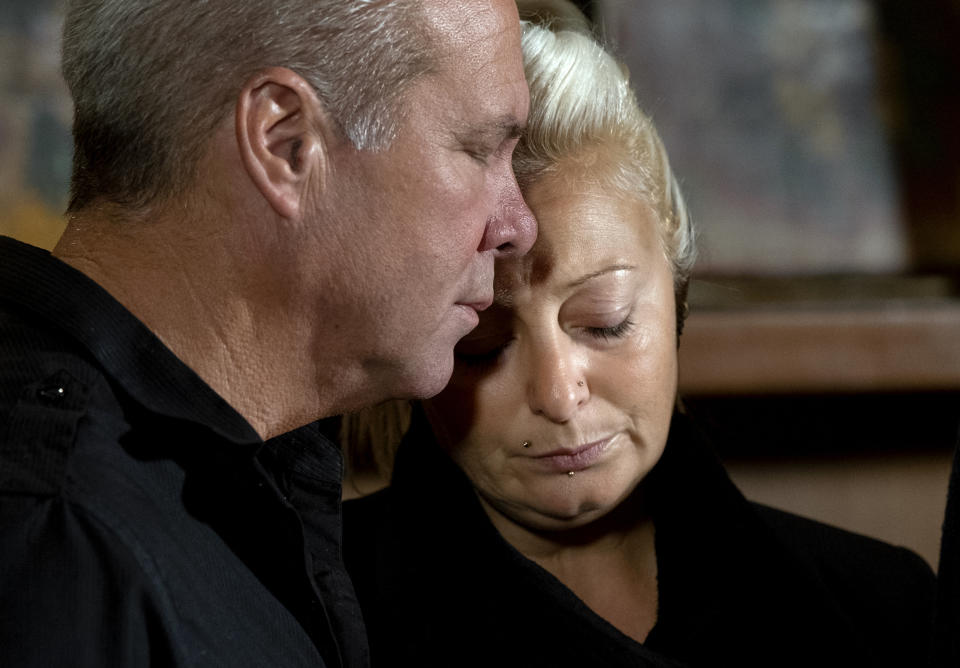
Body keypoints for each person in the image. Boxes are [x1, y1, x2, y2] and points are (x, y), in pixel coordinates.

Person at [342, 3, 936, 666]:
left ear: (675, 273)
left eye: (605, 321)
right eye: (483, 345)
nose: (558, 396)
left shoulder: (883, 610)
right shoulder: (313, 614)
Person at [0, 0, 535, 665]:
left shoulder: (176, 495)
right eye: (480, 149)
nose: (517, 226)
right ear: (285, 143)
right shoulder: (60, 551)